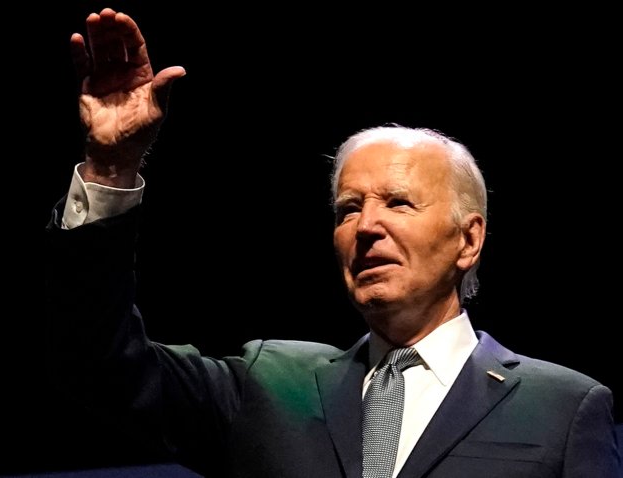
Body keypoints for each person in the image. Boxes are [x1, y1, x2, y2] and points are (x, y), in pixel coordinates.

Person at [48, 7, 621, 477]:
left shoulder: (564, 407)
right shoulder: (268, 386)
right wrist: (110, 166)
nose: (366, 227)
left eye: (398, 203)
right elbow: (96, 359)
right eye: (349, 209)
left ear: (468, 241)